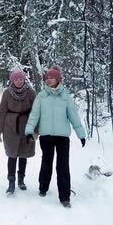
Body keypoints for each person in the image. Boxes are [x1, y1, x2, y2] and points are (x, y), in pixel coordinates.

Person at [24, 67, 86, 208]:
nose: (48, 79)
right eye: (47, 78)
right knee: (46, 163)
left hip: (62, 137)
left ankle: (64, 197)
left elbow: (73, 116)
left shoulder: (65, 96)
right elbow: (34, 115)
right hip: (46, 136)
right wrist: (29, 131)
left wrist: (81, 134)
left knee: (63, 166)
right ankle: (43, 188)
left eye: (52, 77)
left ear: (58, 79)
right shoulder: (41, 96)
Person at [0, 70, 36, 195]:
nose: (19, 81)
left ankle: (21, 179)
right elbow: (2, 111)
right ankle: (11, 181)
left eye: (21, 79)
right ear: (12, 80)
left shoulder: (31, 92)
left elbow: (36, 112)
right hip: (10, 127)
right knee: (12, 155)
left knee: (23, 154)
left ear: (24, 80)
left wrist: (36, 130)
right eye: (16, 79)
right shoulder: (7, 93)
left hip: (27, 126)